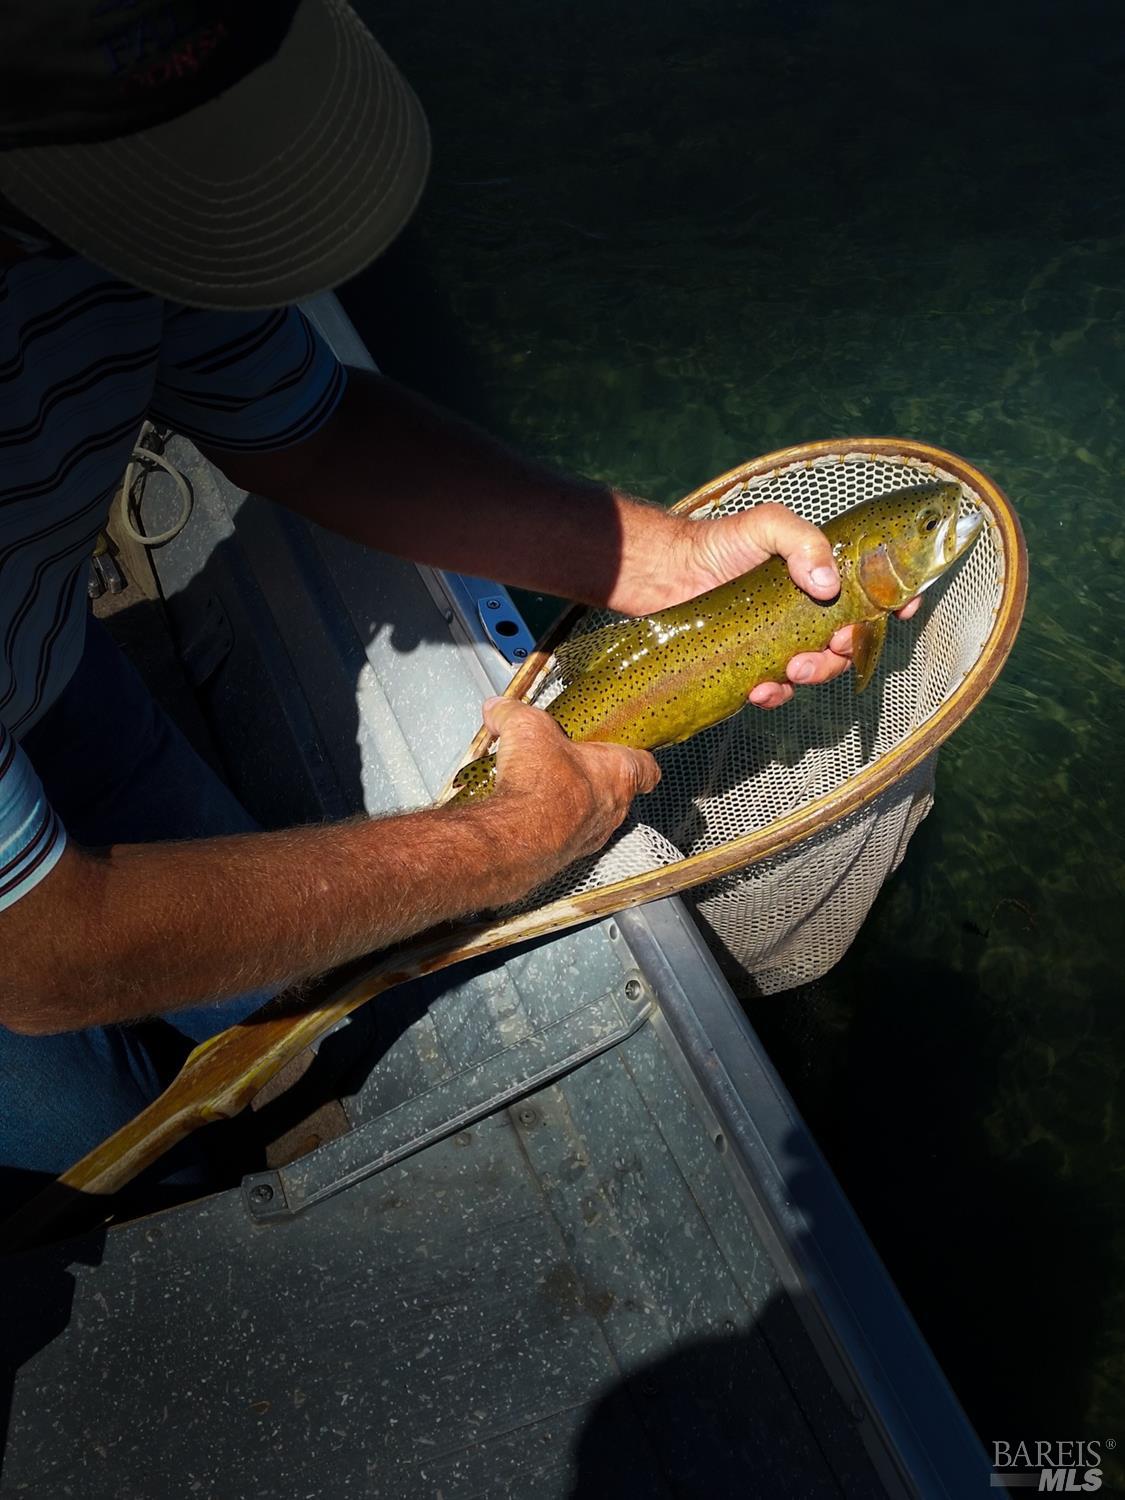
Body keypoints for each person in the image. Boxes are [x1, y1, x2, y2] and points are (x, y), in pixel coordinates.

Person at [0, 0, 915, 1187]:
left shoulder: (113, 200)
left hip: (47, 656)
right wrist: (500, 842)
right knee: (109, 1161)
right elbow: (41, 952)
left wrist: (653, 558)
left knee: (270, 1005)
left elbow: (310, 426)